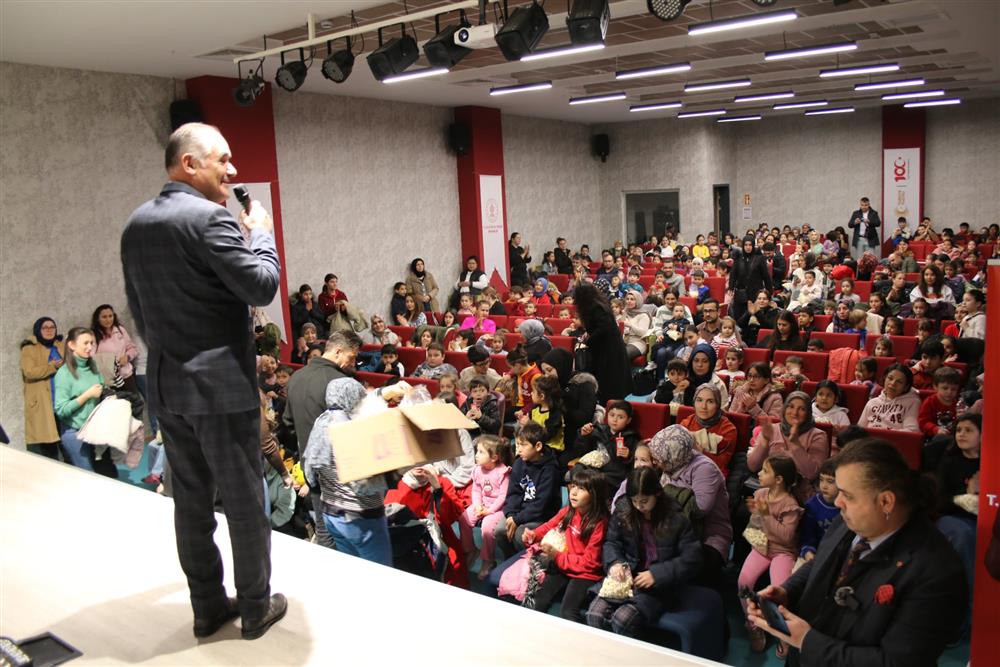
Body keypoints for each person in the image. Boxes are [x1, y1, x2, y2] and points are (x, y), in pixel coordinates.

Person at [121, 123, 284, 639]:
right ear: (189, 164)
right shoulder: (211, 219)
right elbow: (261, 286)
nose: (232, 170)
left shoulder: (136, 223)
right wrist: (260, 232)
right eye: (223, 160)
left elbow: (139, 310)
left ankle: (207, 607)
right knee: (243, 502)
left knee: (191, 505)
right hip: (221, 390)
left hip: (169, 385)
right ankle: (255, 606)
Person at [748, 439, 967, 667]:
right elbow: (822, 561)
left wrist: (807, 641)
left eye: (847, 495)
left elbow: (895, 662)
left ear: (885, 501)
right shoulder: (852, 520)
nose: (838, 502)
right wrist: (787, 591)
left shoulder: (936, 573)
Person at [586, 466, 703, 637]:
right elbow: (612, 542)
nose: (639, 506)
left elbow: (692, 558)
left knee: (621, 620)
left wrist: (657, 574)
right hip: (626, 579)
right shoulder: (624, 510)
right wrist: (615, 563)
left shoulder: (675, 518)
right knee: (594, 615)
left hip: (659, 586)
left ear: (657, 494)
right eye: (634, 501)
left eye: (644, 501)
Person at [301, 377, 392, 566]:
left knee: (352, 568)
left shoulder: (322, 421)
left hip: (330, 513)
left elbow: (310, 472)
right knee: (379, 572)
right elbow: (365, 484)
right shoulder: (353, 428)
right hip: (361, 516)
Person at [518, 465, 609, 622]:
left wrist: (557, 556)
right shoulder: (569, 511)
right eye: (573, 486)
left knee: (568, 612)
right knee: (535, 602)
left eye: (581, 489)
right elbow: (548, 526)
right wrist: (533, 535)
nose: (573, 492)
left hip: (585, 573)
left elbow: (590, 563)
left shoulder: (600, 523)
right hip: (564, 565)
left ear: (594, 494)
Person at [649, 425, 732, 585]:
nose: (655, 463)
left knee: (680, 572)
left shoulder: (704, 468)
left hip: (707, 535)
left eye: (658, 460)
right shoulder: (672, 465)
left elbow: (700, 508)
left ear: (673, 457)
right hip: (674, 530)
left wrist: (666, 496)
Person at [741, 456, 804, 655]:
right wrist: (756, 513)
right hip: (762, 546)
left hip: (782, 551)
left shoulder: (790, 504)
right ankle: (753, 624)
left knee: (780, 590)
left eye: (765, 471)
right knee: (744, 581)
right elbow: (757, 524)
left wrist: (766, 514)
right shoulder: (761, 493)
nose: (759, 473)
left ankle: (783, 634)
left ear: (778, 479)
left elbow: (786, 537)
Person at [53, 327, 116, 476]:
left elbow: (101, 388)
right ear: (71, 345)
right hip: (75, 432)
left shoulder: (93, 367)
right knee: (88, 476)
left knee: (107, 473)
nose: (90, 347)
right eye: (85, 343)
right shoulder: (64, 374)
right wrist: (86, 395)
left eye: (91, 343)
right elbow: (60, 410)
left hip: (95, 430)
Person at [748, 392, 831, 504]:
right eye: (791, 406)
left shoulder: (818, 436)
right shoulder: (771, 429)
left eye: (802, 409)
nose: (795, 413)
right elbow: (753, 466)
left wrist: (796, 444)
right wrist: (765, 442)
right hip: (769, 492)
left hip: (800, 497)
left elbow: (812, 474)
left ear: (808, 413)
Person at [495, 422, 561, 560]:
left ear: (538, 446)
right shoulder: (519, 463)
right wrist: (511, 515)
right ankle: (511, 561)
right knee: (500, 530)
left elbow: (541, 504)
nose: (518, 449)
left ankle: (531, 564)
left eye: (523, 445)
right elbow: (513, 493)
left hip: (542, 516)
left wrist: (517, 519)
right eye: (517, 444)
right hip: (520, 512)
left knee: (521, 535)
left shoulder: (550, 469)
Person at [459, 435, 512, 580]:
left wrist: (489, 511)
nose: (476, 455)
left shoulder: (503, 473)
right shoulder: (478, 469)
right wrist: (477, 505)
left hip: (498, 508)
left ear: (494, 457)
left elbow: (503, 496)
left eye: (481, 452)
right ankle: (470, 550)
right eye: (477, 451)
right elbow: (476, 489)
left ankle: (488, 560)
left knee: (487, 528)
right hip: (481, 504)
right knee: (463, 518)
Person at [573, 283, 632, 402]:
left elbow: (604, 328)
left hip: (608, 348)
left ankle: (609, 401)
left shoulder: (596, 307)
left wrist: (589, 340)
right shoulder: (596, 305)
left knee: (609, 377)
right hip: (605, 346)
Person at [20, 317, 66, 460]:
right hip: (43, 402)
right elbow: (29, 372)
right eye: (45, 327)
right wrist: (52, 367)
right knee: (48, 445)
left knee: (67, 442)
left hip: (62, 400)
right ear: (38, 330)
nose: (49, 330)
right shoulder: (29, 348)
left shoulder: (60, 346)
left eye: (52, 327)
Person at [678, 383, 739, 478]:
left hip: (711, 475)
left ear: (718, 404)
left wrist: (701, 452)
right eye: (699, 400)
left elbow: (721, 465)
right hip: (683, 473)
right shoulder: (687, 423)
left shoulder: (728, 429)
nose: (703, 406)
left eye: (710, 401)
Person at [798, 459, 840, 561]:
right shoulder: (812, 505)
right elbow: (807, 537)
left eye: (830, 481)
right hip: (815, 555)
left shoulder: (848, 506)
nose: (824, 486)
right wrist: (808, 552)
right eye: (821, 480)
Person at [858, 364, 921, 433]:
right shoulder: (872, 402)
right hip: (869, 438)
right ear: (884, 379)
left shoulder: (913, 402)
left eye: (899, 382)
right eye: (890, 378)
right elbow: (859, 430)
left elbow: (912, 431)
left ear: (906, 387)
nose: (893, 383)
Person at [91, 303, 139, 392]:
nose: (108, 319)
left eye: (110, 316)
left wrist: (127, 357)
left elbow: (133, 348)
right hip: (109, 380)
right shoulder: (94, 336)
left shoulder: (120, 330)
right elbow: (92, 357)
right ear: (97, 319)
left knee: (134, 400)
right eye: (104, 317)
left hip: (126, 375)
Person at [729, 237, 773, 323]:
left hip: (755, 292)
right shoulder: (738, 258)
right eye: (746, 245)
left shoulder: (759, 258)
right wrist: (731, 287)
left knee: (754, 319)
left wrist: (769, 292)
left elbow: (766, 277)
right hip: (741, 293)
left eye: (750, 245)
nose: (748, 247)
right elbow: (733, 274)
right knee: (740, 319)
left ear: (753, 246)